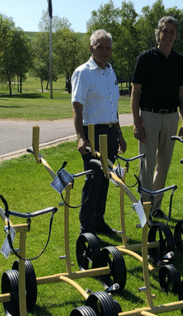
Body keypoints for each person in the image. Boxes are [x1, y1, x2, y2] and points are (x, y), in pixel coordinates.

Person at [130, 16, 183, 220]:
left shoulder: (180, 61)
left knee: (164, 165)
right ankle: (145, 209)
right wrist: (137, 123)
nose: (168, 35)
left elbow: (182, 94)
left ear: (176, 36)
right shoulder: (145, 58)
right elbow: (135, 93)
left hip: (171, 117)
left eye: (172, 32)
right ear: (158, 33)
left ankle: (156, 208)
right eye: (165, 31)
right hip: (149, 116)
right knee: (147, 164)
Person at [71, 29, 127, 235]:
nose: (104, 51)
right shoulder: (83, 72)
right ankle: (86, 227)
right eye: (100, 47)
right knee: (93, 179)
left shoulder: (110, 71)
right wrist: (80, 138)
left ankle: (98, 221)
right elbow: (77, 107)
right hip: (92, 132)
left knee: (106, 178)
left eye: (108, 48)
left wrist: (119, 133)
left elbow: (113, 107)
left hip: (110, 131)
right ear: (91, 48)